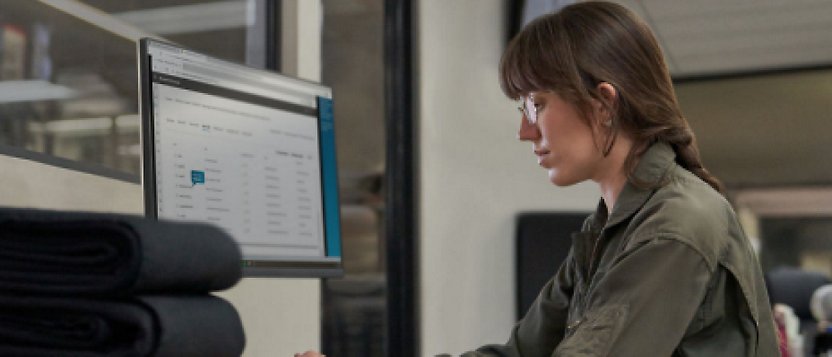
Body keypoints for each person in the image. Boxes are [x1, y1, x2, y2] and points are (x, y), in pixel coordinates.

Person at [459, 1, 780, 356]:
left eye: (537, 104)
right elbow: (520, 353)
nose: (525, 131)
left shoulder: (676, 224)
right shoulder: (609, 230)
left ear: (604, 105)